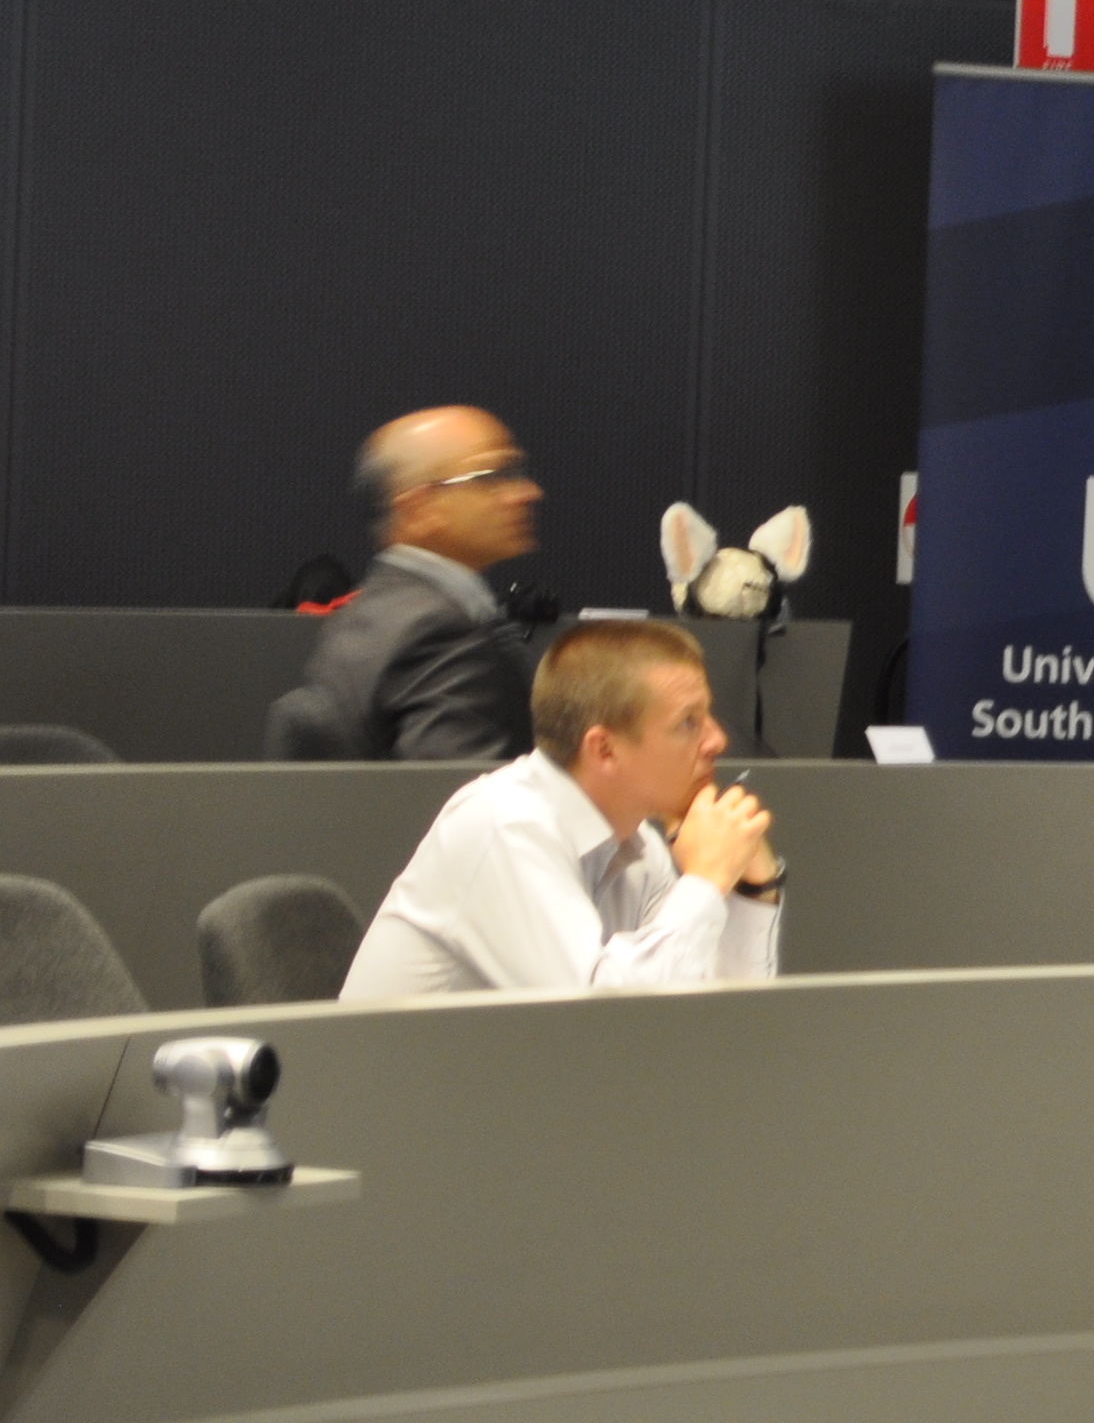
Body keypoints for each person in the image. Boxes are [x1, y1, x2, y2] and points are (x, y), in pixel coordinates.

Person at [342, 621, 783, 997]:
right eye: (688, 722)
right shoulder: (505, 824)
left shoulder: (640, 848)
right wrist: (706, 879)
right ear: (604, 749)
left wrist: (752, 892)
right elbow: (601, 1020)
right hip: (388, 1076)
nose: (717, 740)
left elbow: (703, 1021)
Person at [295, 406, 544, 760]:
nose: (526, 492)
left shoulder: (372, 615)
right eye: (493, 477)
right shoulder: (439, 635)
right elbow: (453, 786)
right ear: (419, 509)